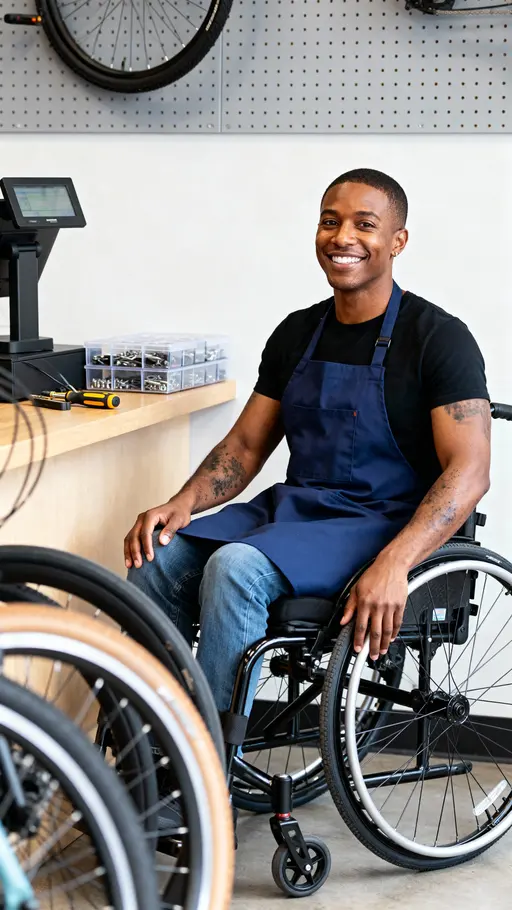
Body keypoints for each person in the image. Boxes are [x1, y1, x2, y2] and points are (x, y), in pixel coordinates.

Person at [125, 167, 491, 728]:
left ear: (398, 241)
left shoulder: (438, 339)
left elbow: (469, 472)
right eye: (330, 221)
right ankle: (147, 743)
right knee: (159, 556)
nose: (342, 237)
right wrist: (182, 504)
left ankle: (206, 766)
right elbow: (246, 446)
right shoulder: (298, 332)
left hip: (383, 523)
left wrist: (395, 562)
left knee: (236, 568)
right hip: (299, 514)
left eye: (364, 224)